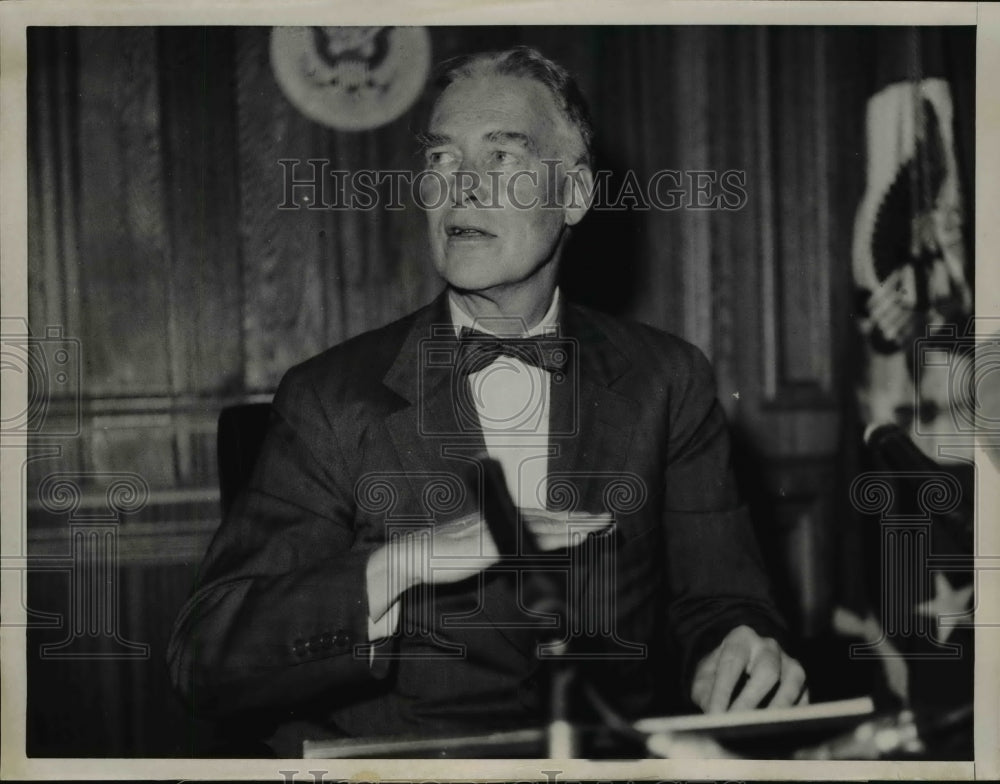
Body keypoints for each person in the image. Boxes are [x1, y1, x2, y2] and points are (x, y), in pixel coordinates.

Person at [167, 46, 806, 757]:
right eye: (441, 161)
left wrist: (741, 648)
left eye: (502, 158)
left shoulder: (668, 380)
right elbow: (206, 657)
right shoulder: (330, 398)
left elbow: (722, 601)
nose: (462, 188)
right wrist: (398, 565)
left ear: (575, 195)